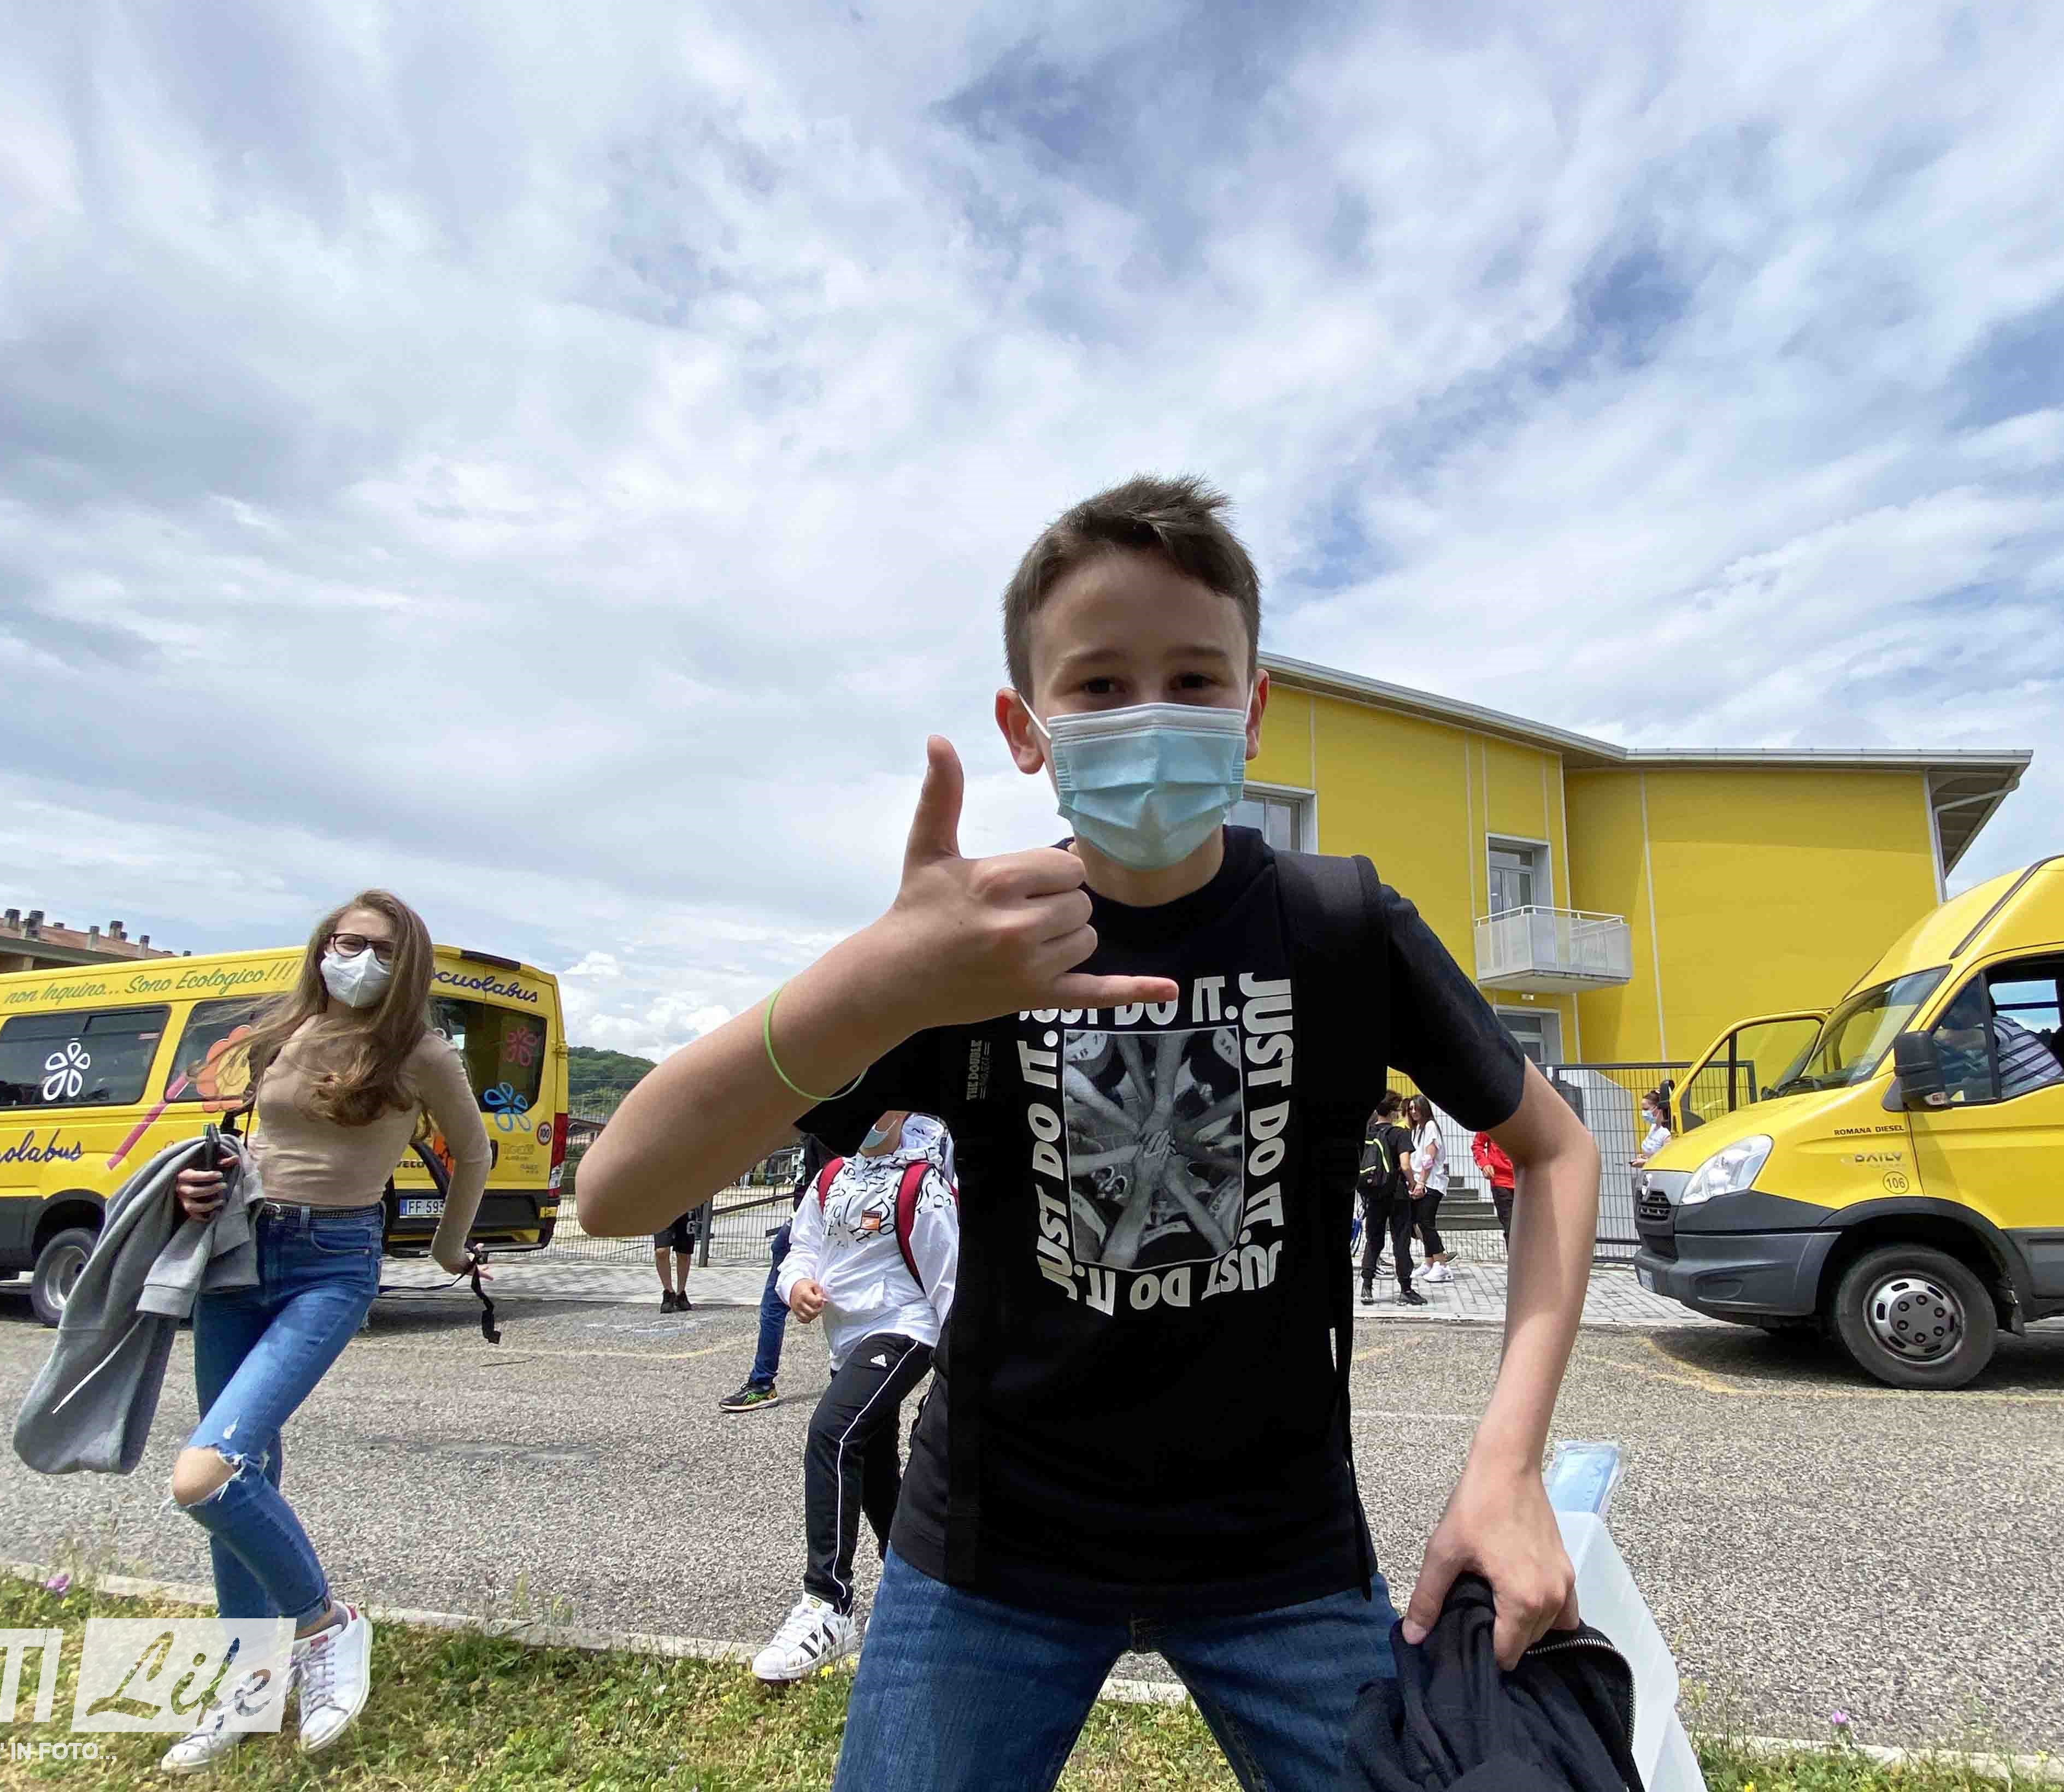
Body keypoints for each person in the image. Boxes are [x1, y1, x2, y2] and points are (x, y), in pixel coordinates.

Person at [580, 473, 1602, 1792]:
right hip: (990, 1553)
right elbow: (618, 1189)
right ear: (1027, 726)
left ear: (1252, 708)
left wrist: (1507, 1464)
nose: (1150, 713)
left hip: (1280, 1549)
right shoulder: (968, 950)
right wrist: (876, 980)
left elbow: (1559, 1148)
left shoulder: (1341, 927)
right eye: (1102, 684)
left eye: (1193, 677)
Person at [156, 891, 489, 1771]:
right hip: (240, 1255)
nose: (361, 960)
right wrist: (204, 1186)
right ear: (322, 946)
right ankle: (250, 1688)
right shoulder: (286, 1031)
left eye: (383, 950)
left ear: (409, 966)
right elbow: (263, 1144)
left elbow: (474, 1151)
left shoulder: (420, 1052)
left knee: (207, 1475)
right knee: (246, 1474)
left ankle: (326, 1624)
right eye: (348, 941)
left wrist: (449, 1249)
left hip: (332, 1263)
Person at [752, 1111, 959, 1682]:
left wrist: (956, 1375)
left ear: (904, 1113)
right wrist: (796, 1284)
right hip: (846, 1341)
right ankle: (921, 1592)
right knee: (874, 1471)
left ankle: (827, 1602)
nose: (867, 1117)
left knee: (832, 1434)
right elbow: (800, 1248)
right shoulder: (831, 1177)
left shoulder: (922, 1186)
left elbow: (949, 1283)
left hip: (903, 1329)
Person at [723, 1131, 840, 1413]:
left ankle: (762, 1383)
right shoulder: (817, 1129)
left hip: (817, 1226)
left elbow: (835, 1179)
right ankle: (764, 1381)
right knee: (778, 1304)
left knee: (776, 1307)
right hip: (804, 1224)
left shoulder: (829, 1129)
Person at [1929, 986, 2064, 1104]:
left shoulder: (2000, 1025)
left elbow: (1953, 1040)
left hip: (2050, 1100)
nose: (1952, 1018)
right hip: (2035, 1101)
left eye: (1955, 1011)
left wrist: (1926, 1032)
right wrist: (1958, 1085)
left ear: (1972, 1009)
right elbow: (1990, 1075)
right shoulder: (1980, 1046)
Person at [1357, 1090, 1422, 1306]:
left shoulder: (1367, 1133)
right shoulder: (1400, 1134)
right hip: (1397, 1194)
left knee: (1373, 1240)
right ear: (1395, 1112)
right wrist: (1413, 1183)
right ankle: (1406, 1289)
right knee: (1401, 1240)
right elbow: (1405, 1165)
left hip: (1374, 1193)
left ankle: (1367, 1287)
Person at [1404, 1094, 1455, 1284]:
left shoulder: (1431, 1126)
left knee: (1426, 1223)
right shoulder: (1416, 1129)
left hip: (1431, 1183)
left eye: (1416, 1108)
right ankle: (1429, 1262)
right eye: (1410, 1108)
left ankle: (1442, 1265)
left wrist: (1421, 1183)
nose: (1413, 1112)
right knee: (1420, 1223)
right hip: (1420, 1181)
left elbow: (1429, 1159)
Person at [651, 1204, 702, 1311]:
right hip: (662, 1207)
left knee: (684, 1253)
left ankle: (681, 1294)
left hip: (686, 1206)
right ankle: (668, 1292)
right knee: (661, 1251)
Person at [1469, 1126, 1516, 1237]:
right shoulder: (1492, 1120)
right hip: (1501, 1181)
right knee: (1510, 1228)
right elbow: (1477, 1145)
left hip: (1527, 1180)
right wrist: (1484, 1164)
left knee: (1529, 1228)